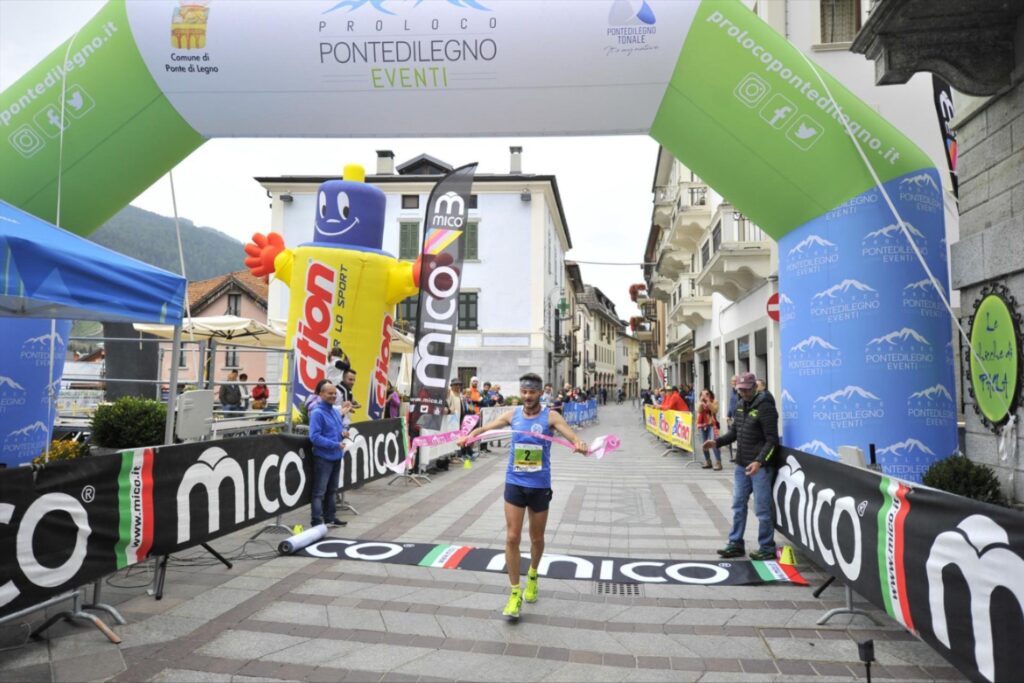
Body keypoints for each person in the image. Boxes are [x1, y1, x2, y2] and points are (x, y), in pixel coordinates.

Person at [458, 372, 588, 620]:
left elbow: (572, 437)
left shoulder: (551, 416)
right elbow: (485, 429)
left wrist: (580, 444)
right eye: (524, 392)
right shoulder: (513, 414)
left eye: (532, 392)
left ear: (540, 393)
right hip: (515, 482)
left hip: (539, 485)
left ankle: (533, 575)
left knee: (536, 539)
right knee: (512, 537)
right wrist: (469, 436)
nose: (527, 396)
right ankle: (515, 592)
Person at [702, 371, 779, 561]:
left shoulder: (765, 406)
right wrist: (717, 442)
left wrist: (759, 461)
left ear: (754, 387)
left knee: (762, 508)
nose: (743, 393)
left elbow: (772, 440)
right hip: (741, 464)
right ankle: (735, 543)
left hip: (760, 467)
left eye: (746, 390)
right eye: (740, 390)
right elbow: (734, 433)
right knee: (737, 505)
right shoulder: (739, 404)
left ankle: (767, 546)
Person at [308, 378, 351, 528]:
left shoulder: (334, 411)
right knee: (319, 492)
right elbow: (314, 437)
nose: (333, 396)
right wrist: (335, 444)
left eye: (334, 393)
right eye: (329, 393)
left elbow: (337, 430)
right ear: (321, 394)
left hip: (336, 456)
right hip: (323, 458)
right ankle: (316, 521)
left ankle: (330, 518)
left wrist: (343, 433)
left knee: (332, 490)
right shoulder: (317, 413)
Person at [696, 389, 722, 470]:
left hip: (711, 424)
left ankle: (718, 462)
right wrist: (701, 403)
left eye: (706, 394)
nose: (704, 396)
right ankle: (708, 461)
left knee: (714, 443)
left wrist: (708, 402)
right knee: (704, 444)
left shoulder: (714, 402)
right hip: (702, 425)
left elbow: (715, 410)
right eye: (702, 394)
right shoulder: (699, 403)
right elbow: (699, 411)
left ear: (710, 394)